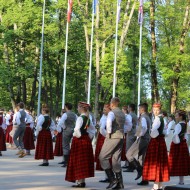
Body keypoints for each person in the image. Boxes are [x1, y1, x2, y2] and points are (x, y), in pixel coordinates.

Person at [65, 101, 95, 188]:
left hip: (79, 140)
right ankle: (82, 181)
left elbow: (77, 130)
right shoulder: (88, 118)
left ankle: (80, 182)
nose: (77, 109)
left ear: (82, 108)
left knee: (78, 160)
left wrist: (77, 136)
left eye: (78, 107)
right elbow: (92, 130)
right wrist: (88, 137)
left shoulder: (80, 118)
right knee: (83, 161)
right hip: (86, 140)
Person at [99, 97, 125, 189]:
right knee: (115, 159)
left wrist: (108, 133)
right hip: (121, 136)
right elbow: (128, 125)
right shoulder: (122, 113)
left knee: (102, 157)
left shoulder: (111, 112)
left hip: (113, 136)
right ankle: (120, 184)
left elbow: (109, 123)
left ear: (112, 104)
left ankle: (112, 179)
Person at [143, 103, 170, 190]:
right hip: (161, 141)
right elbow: (166, 132)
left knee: (156, 162)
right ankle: (160, 185)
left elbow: (153, 131)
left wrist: (153, 134)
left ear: (160, 110)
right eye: (154, 110)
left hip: (156, 142)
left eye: (157, 110)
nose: (155, 111)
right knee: (160, 162)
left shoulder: (158, 119)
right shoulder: (163, 119)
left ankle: (155, 186)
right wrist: (161, 134)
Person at [126, 103, 151, 186]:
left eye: (139, 108)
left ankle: (139, 169)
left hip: (142, 139)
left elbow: (144, 127)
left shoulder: (143, 117)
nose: (138, 110)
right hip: (147, 139)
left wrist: (140, 135)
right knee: (141, 159)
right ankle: (145, 179)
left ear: (142, 109)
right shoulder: (147, 116)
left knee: (129, 154)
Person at [168, 110, 190, 185]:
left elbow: (175, 135)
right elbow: (186, 136)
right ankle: (181, 181)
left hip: (177, 145)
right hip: (183, 144)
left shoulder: (178, 125)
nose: (175, 117)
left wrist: (175, 142)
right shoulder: (185, 124)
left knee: (177, 161)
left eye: (177, 115)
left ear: (180, 117)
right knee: (182, 163)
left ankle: (179, 180)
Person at [94, 104, 111, 183]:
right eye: (103, 109)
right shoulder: (104, 117)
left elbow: (102, 129)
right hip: (102, 136)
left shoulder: (109, 117)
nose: (104, 111)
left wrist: (106, 135)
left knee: (105, 157)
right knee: (105, 157)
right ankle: (107, 176)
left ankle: (109, 176)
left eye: (105, 109)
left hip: (105, 137)